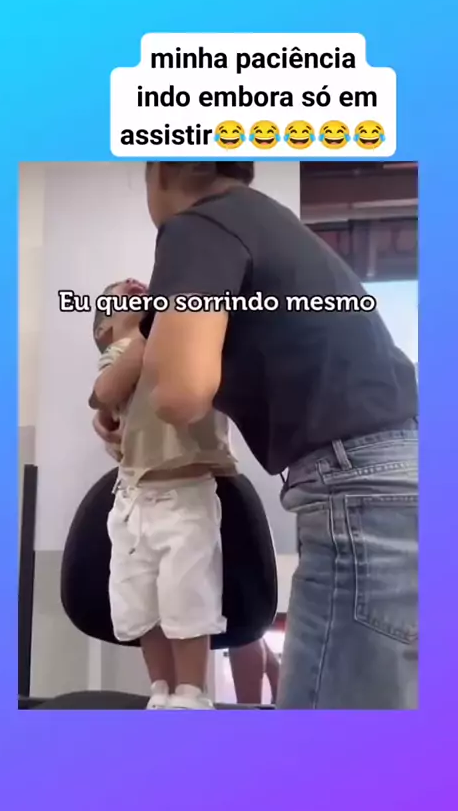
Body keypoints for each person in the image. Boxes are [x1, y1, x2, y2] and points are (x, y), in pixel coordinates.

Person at [93, 160, 418, 710]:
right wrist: (112, 394)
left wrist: (142, 366)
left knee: (327, 737)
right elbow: (133, 370)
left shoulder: (197, 226)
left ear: (161, 172)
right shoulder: (262, 221)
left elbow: (180, 392)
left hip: (361, 489)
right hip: (389, 475)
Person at [90, 278, 237, 710]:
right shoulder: (120, 352)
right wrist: (146, 331)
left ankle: (190, 692)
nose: (132, 285)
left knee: (188, 596)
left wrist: (162, 321)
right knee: (140, 601)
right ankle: (160, 688)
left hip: (186, 493)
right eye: (120, 295)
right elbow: (105, 393)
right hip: (134, 499)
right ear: (105, 330)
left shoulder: (182, 340)